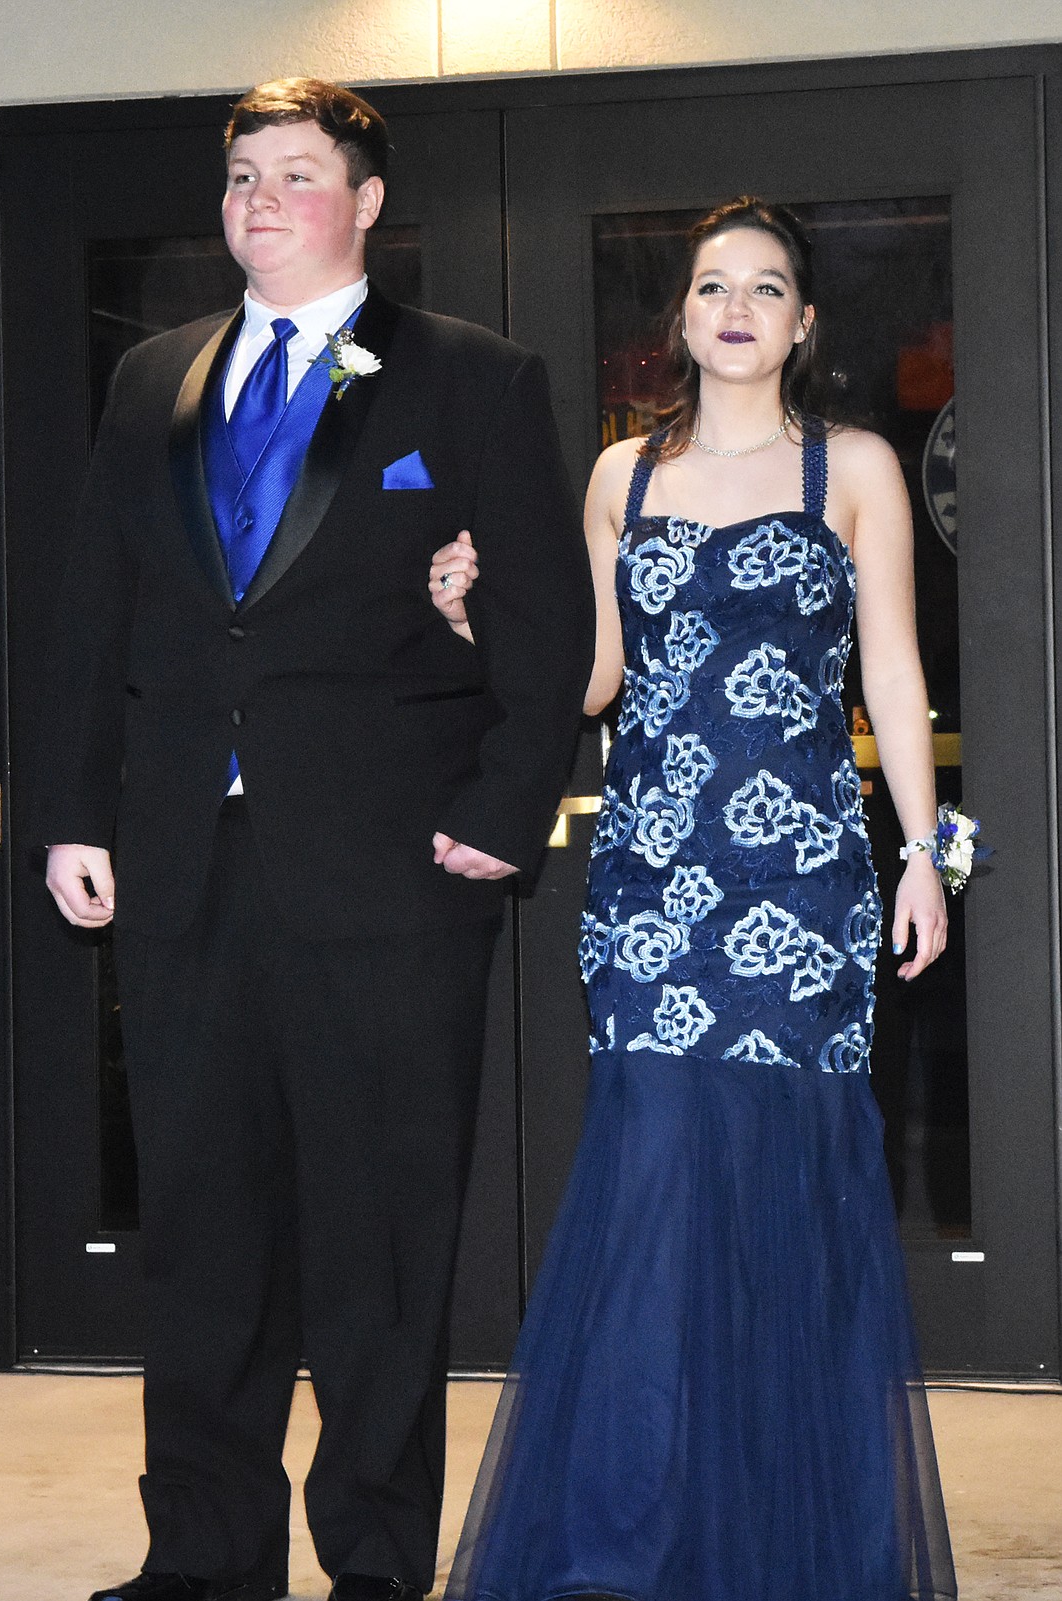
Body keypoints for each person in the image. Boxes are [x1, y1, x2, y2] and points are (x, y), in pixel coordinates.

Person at [35, 77, 594, 1601]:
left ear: (363, 202)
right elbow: (102, 610)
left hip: (392, 883)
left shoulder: (470, 378)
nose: (258, 197)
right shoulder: (152, 377)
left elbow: (547, 618)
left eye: (294, 172)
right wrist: (75, 811)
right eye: (238, 175)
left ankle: (370, 1565)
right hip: (183, 873)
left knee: (379, 1252)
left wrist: (500, 813)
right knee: (203, 1246)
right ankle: (202, 1562)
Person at [428, 198, 957, 1601]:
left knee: (787, 1195)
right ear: (680, 319)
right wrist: (484, 615)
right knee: (656, 1191)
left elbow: (892, 675)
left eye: (764, 287)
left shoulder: (850, 468)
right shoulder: (621, 478)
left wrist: (926, 854)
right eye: (710, 285)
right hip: (653, 887)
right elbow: (593, 678)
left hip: (803, 885)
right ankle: (625, 1544)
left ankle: (798, 1544)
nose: (733, 306)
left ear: (800, 324)